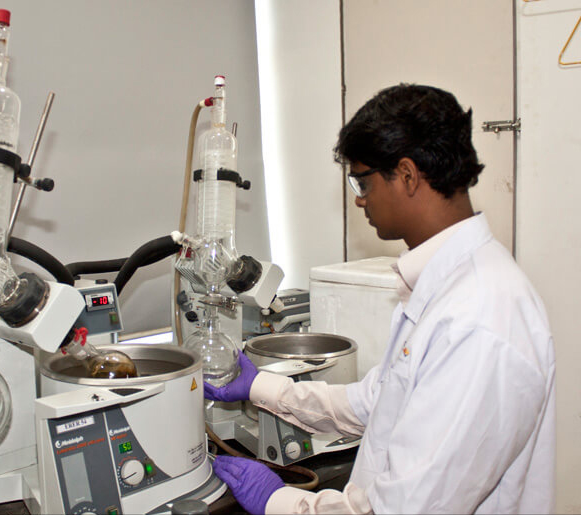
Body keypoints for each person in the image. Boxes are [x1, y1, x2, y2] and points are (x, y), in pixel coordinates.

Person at [205, 84, 555, 514]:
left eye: (363, 180)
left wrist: (280, 501)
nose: (358, 197)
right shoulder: (442, 286)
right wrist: (262, 386)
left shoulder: (479, 317)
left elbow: (408, 509)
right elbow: (373, 404)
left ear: (407, 175)